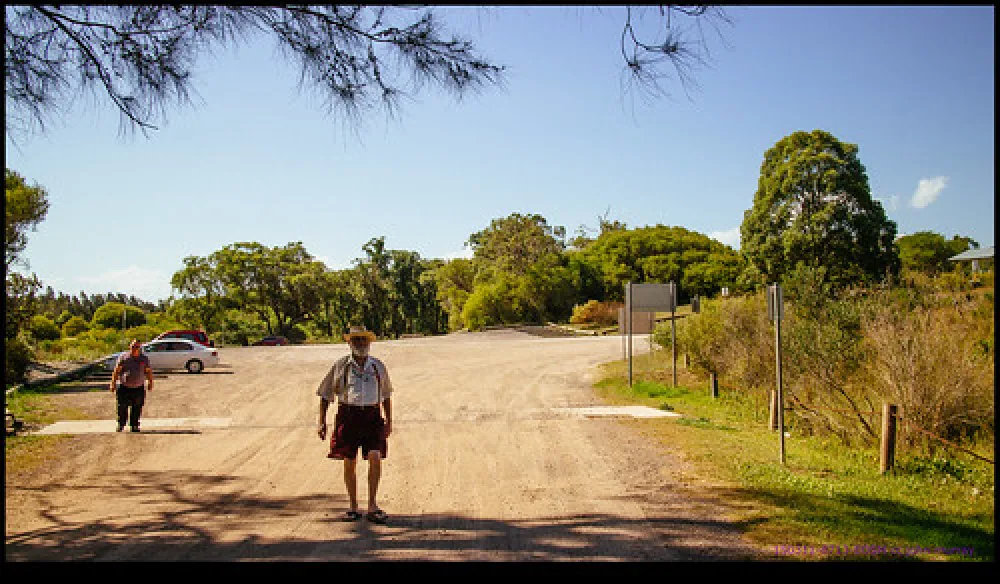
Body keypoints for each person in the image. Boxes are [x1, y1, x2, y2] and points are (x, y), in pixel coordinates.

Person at [317, 325, 394, 524]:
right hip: (348, 415)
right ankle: (353, 506)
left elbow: (386, 395)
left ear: (369, 343)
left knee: (375, 456)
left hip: (372, 416)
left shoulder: (377, 366)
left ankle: (372, 505)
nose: (360, 343)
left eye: (363, 340)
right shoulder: (341, 366)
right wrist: (322, 421)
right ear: (349, 343)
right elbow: (326, 394)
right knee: (349, 460)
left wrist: (389, 421)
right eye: (356, 340)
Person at [109, 339, 154, 432]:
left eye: (137, 347)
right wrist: (113, 383)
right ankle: (121, 424)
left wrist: (150, 382)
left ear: (140, 348)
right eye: (133, 346)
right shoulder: (124, 357)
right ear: (130, 347)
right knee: (122, 407)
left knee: (137, 407)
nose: (134, 349)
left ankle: (134, 425)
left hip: (139, 387)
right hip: (124, 387)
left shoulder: (144, 359)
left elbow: (148, 371)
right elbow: (116, 371)